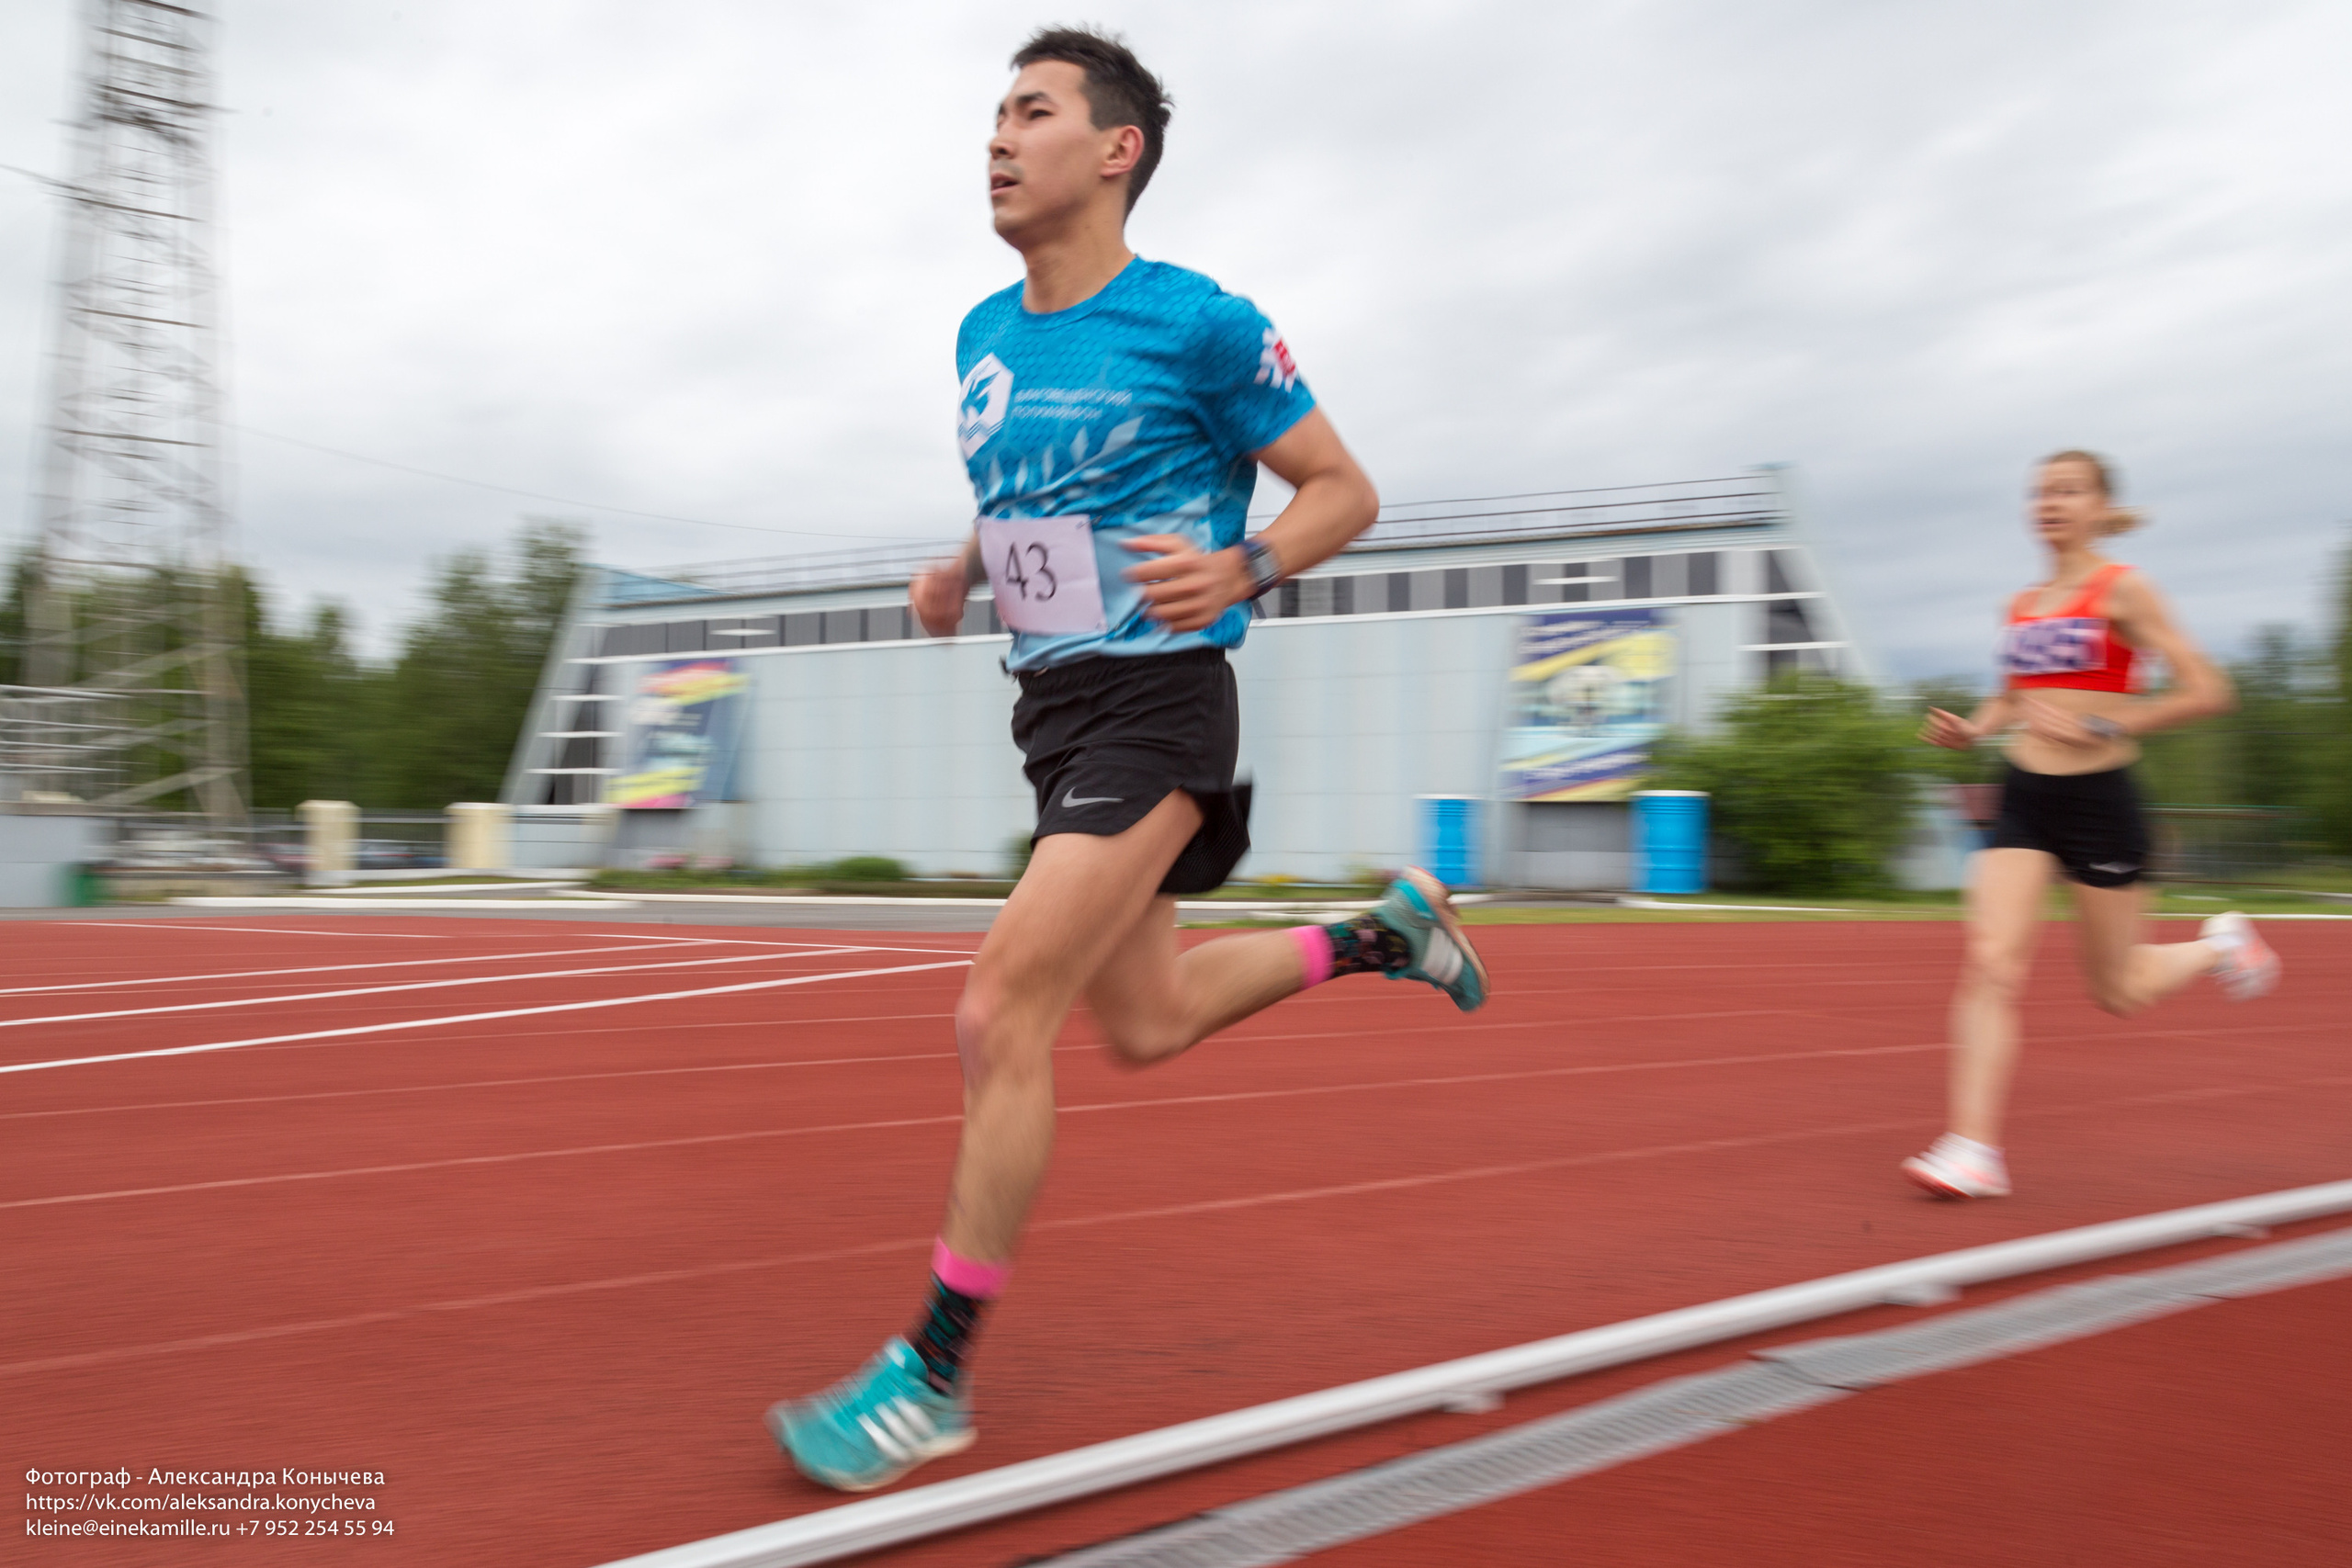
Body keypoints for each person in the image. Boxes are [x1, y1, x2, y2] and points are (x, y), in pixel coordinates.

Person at [766, 27, 1491, 1492]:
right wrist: (959, 564)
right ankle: (1380, 932)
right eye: (991, 115)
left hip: (1162, 702)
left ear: (1115, 151)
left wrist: (1248, 563)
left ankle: (932, 1376)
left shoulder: (1202, 324)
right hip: (1050, 715)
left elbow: (1345, 487)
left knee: (998, 1011)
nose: (995, 139)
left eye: (1029, 112)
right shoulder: (982, 334)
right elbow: (1036, 493)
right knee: (1146, 1019)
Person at [1904, 450, 2278, 1201]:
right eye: (2040, 490)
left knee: (2119, 989)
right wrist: (1975, 730)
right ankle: (1973, 1148)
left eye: (2069, 490)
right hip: (2024, 795)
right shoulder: (2021, 604)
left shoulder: (2125, 589)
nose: (2051, 501)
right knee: (1991, 961)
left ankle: (2219, 945)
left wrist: (2108, 720)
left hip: (2101, 799)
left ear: (2103, 507)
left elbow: (2209, 689)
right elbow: (2013, 696)